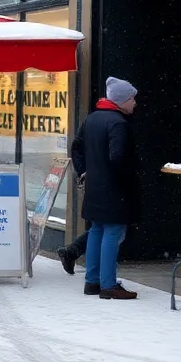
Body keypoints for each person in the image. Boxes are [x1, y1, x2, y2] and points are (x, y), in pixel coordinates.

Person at [70, 77, 140, 300]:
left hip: (94, 186)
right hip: (114, 188)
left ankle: (92, 281)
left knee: (96, 231)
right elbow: (118, 157)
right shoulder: (118, 123)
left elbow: (76, 147)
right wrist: (128, 177)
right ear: (120, 101)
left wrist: (84, 172)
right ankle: (108, 284)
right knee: (113, 232)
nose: (135, 103)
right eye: (132, 99)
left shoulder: (92, 119)